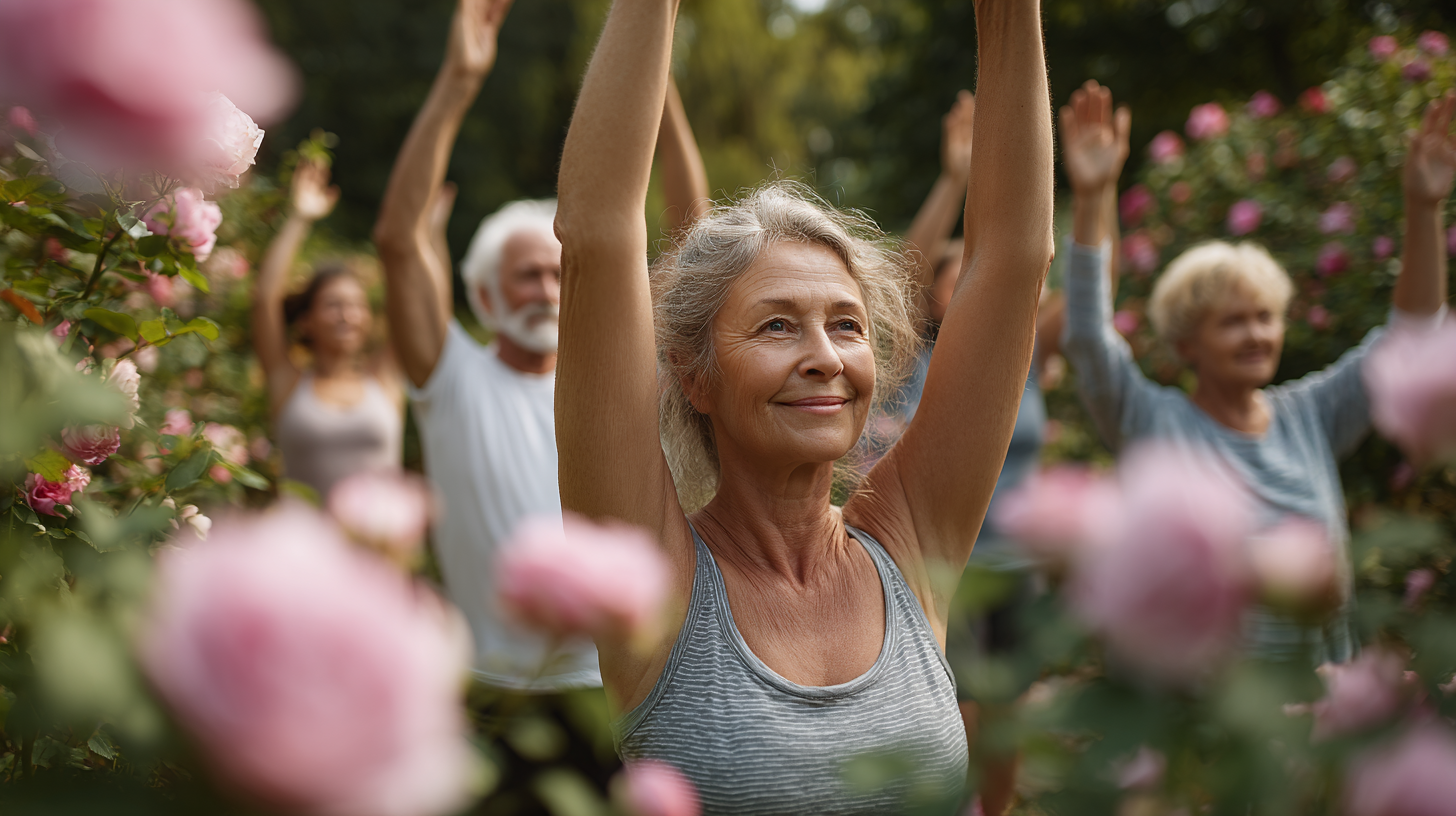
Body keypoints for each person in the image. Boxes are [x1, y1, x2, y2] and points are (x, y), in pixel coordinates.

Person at [553, 0, 1054, 810]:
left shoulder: (911, 540)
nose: (824, 356)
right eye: (778, 325)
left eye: (846, 325)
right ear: (694, 373)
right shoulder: (656, 577)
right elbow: (597, 234)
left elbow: (1014, 256)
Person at [372, 0, 709, 693]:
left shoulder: (626, 381)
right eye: (529, 274)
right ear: (486, 297)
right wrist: (460, 83)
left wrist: (655, 65)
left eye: (562, 272)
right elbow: (399, 243)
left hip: (623, 688)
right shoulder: (451, 380)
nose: (551, 289)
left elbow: (695, 242)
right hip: (492, 692)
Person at [1059, 80, 1452, 664]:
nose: (1257, 334)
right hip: (1205, 727)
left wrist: (1424, 209)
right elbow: (1089, 336)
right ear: (1187, 343)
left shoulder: (1312, 414)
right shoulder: (1148, 419)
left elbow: (1411, 341)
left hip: (1318, 712)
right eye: (1233, 322)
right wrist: (1094, 195)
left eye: (1266, 317)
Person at [252, 158, 404, 499]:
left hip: (376, 549)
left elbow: (407, 301)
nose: (346, 314)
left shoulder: (385, 379)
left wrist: (407, 236)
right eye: (333, 304)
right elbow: (265, 300)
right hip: (301, 549)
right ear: (306, 320)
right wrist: (300, 217)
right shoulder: (288, 383)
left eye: (356, 305)